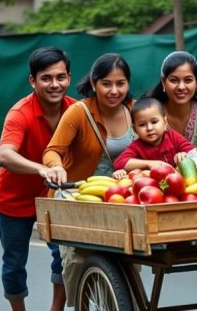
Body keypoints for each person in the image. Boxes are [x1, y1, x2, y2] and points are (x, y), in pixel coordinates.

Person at [42, 53, 135, 307]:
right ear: (94, 83)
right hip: (79, 197)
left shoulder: (135, 110)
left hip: (121, 199)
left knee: (131, 256)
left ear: (128, 84)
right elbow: (52, 150)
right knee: (76, 257)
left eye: (120, 83)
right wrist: (57, 167)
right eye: (106, 83)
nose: (114, 90)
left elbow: (160, 139)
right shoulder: (78, 112)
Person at [0, 47, 76, 311]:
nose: (55, 84)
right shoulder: (20, 113)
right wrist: (41, 169)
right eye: (46, 78)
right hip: (13, 200)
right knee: (14, 263)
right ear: (33, 80)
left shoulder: (76, 110)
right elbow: (5, 155)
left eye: (60, 77)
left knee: (64, 256)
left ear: (69, 78)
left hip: (55, 196)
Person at [113, 97, 195, 176]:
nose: (149, 128)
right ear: (135, 129)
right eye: (142, 125)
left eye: (154, 122)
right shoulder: (136, 146)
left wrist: (184, 154)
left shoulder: (173, 136)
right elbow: (119, 163)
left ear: (165, 122)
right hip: (150, 187)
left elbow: (195, 153)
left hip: (178, 183)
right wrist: (149, 164)